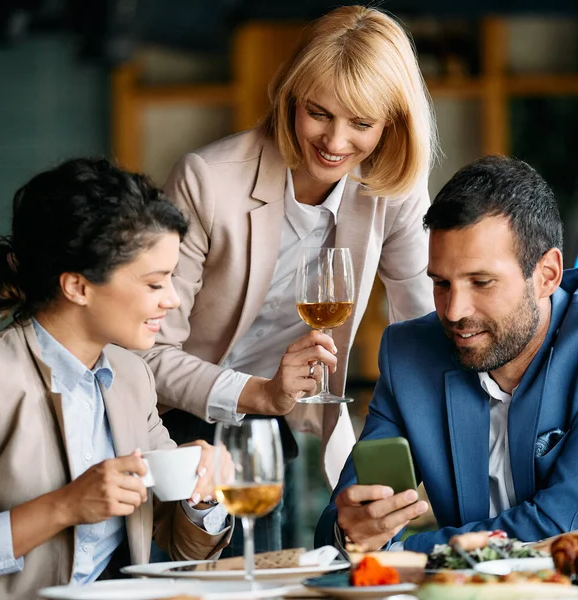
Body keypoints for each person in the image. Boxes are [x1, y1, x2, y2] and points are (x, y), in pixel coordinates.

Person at [142, 5, 438, 553]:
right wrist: (262, 393)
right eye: (319, 113)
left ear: (392, 123)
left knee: (271, 572)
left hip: (277, 427)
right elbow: (150, 354)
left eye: (363, 124)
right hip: (179, 422)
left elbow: (420, 326)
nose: (336, 141)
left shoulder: (391, 188)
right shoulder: (207, 182)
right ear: (292, 97)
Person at [0, 158, 232, 600]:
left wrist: (201, 496)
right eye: (155, 284)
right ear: (78, 286)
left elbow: (179, 544)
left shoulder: (132, 375)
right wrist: (66, 506)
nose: (173, 300)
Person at [315, 155, 578, 554]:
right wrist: (352, 530)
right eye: (441, 283)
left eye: (481, 282)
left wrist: (402, 553)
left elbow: (559, 524)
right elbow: (345, 519)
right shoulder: (411, 355)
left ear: (547, 275)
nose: (454, 311)